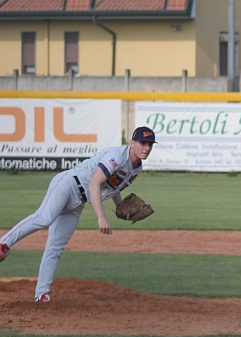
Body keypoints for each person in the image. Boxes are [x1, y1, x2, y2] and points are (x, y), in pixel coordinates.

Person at [0, 126, 156, 302]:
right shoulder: (115, 157)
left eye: (150, 144)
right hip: (67, 184)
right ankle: (3, 243)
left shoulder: (136, 169)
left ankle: (41, 293)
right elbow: (94, 183)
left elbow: (112, 187)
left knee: (56, 246)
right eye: (143, 143)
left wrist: (119, 205)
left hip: (78, 202)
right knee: (45, 217)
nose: (147, 148)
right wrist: (101, 217)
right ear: (132, 142)